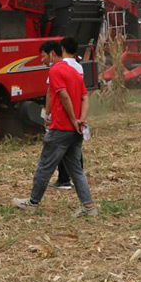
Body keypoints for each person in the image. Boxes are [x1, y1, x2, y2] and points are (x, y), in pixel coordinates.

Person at [13, 41, 96, 216]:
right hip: (75, 131)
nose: (43, 59)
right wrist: (81, 120)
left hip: (61, 129)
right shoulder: (74, 71)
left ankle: (33, 202)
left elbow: (63, 95)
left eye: (43, 55)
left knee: (44, 167)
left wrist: (73, 119)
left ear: (52, 54)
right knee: (76, 170)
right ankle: (88, 206)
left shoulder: (56, 70)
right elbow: (84, 97)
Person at [50, 36, 87, 190]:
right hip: (78, 112)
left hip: (64, 114)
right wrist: (80, 118)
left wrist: (48, 112)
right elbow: (84, 95)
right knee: (75, 149)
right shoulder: (79, 67)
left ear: (62, 49)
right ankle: (78, 178)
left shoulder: (58, 67)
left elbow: (55, 93)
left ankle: (64, 179)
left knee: (59, 149)